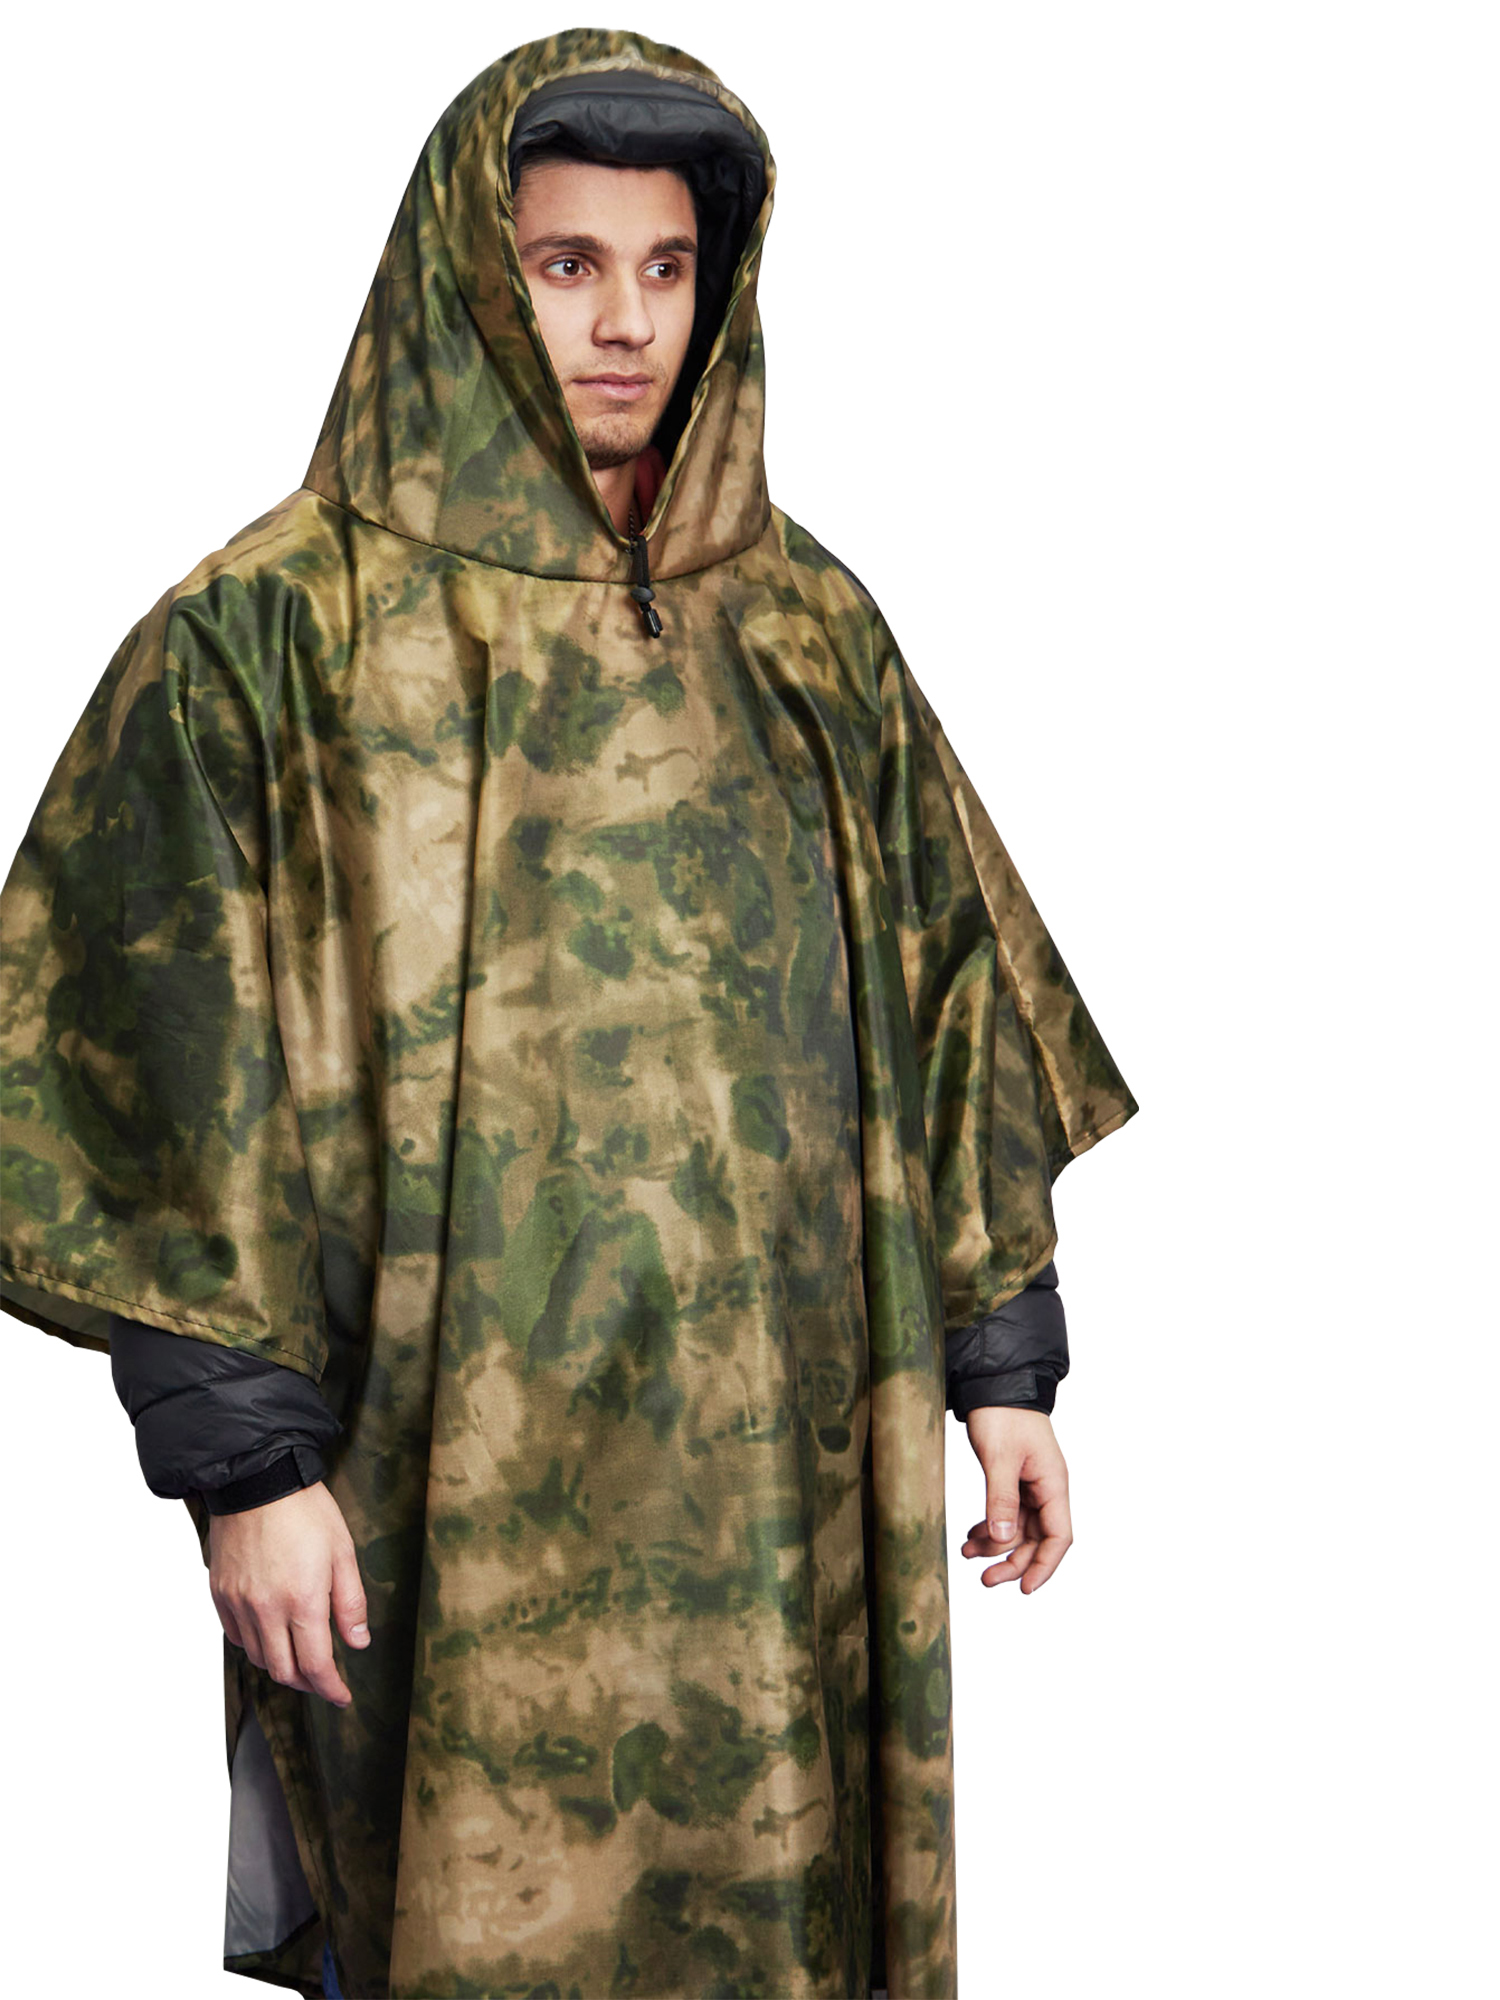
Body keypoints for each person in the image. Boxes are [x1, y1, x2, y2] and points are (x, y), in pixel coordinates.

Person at [0, 28, 1136, 2000]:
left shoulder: (807, 630)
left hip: (790, 1510)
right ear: (473, 275)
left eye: (668, 267)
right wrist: (247, 1470)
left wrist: (1005, 1360)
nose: (626, 322)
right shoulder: (277, 632)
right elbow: (151, 1054)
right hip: (444, 1496)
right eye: (567, 264)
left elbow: (950, 994)